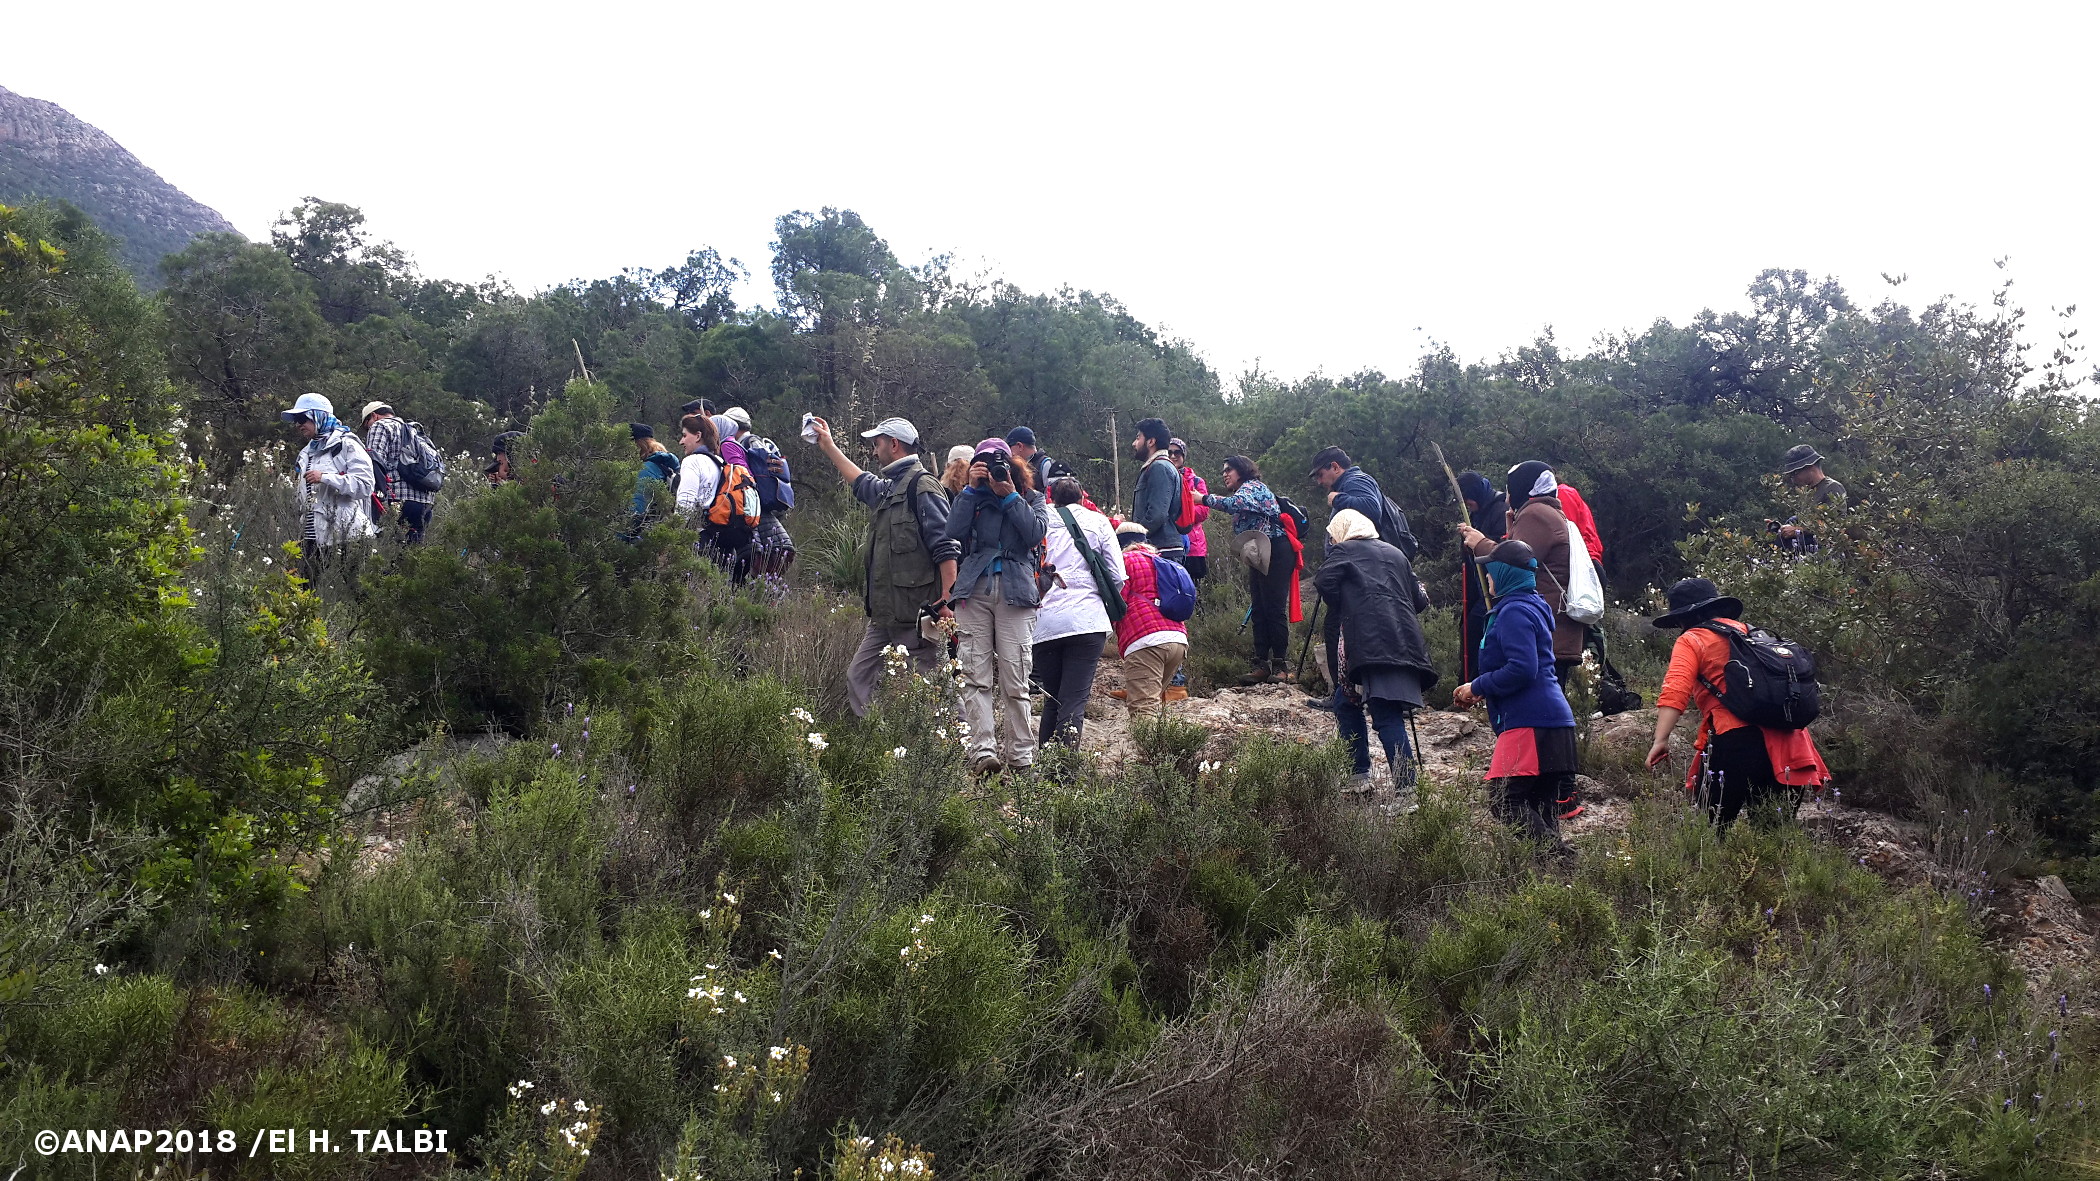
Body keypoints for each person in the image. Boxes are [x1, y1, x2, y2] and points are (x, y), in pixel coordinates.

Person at [1645, 578, 1831, 835]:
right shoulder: (1754, 634)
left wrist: (1660, 739)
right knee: (1773, 837)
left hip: (1735, 740)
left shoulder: (1692, 639)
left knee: (1710, 833)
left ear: (1683, 618)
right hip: (1791, 743)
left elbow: (1675, 690)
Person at [810, 414, 960, 717]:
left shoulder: (922, 487)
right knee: (859, 676)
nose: (874, 450)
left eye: (877, 444)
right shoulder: (890, 488)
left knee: (933, 689)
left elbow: (946, 548)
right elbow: (861, 482)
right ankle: (882, 739)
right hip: (884, 616)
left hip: (915, 615)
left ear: (894, 444)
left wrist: (947, 600)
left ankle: (957, 741)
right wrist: (828, 446)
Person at [1451, 541, 1575, 851]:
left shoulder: (1513, 611)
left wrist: (1477, 686)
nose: (1487, 577)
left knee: (1504, 800)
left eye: (1491, 570)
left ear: (1504, 573)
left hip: (1529, 721)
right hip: (1553, 721)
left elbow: (1522, 668)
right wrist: (1483, 688)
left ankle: (1560, 857)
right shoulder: (1532, 605)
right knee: (1540, 804)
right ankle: (1557, 873)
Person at [1315, 509, 1436, 809]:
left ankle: (1407, 794)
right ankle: (1359, 778)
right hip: (1403, 640)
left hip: (1370, 641)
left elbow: (1324, 581)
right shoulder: (1396, 554)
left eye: (1333, 536)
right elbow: (1420, 600)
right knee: (1345, 702)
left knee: (1385, 712)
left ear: (1343, 531)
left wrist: (1350, 606)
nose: (1332, 542)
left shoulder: (1345, 550)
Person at [942, 437, 1049, 774]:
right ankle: (983, 753)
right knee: (975, 674)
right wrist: (970, 490)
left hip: (1017, 590)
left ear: (1013, 463)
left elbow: (1035, 533)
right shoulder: (970, 498)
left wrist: (1011, 496)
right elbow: (952, 531)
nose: (993, 469)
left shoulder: (1031, 497)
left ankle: (1021, 757)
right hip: (973, 589)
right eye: (984, 463)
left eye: (998, 461)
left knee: (1016, 678)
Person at [1459, 461, 1583, 679]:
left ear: (1522, 487)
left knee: (1535, 692)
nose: (1507, 497)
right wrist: (1511, 530)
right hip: (1551, 626)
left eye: (1510, 488)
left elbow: (1515, 564)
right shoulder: (1550, 512)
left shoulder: (1535, 513)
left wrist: (1480, 543)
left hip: (1538, 627)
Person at [1033, 477, 1126, 746]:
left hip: (1044, 620)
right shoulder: (1098, 522)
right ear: (1082, 498)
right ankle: (1066, 766)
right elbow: (1117, 575)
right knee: (1073, 700)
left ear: (1052, 498)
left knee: (1052, 699)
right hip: (1087, 620)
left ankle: (1046, 764)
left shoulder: (1038, 520)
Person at [1201, 456, 1292, 684]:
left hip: (1276, 549)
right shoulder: (1247, 490)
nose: (1225, 474)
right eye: (1223, 470)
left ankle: (1281, 665)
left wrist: (1202, 498)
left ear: (1242, 470)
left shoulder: (1253, 487)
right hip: (1260, 551)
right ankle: (1261, 664)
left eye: (1229, 469)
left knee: (1274, 608)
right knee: (1259, 608)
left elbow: (1234, 504)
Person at [280, 392, 378, 582]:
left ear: (319, 416)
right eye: (296, 420)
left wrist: (325, 478)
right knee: (303, 590)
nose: (298, 425)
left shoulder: (347, 444)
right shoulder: (307, 452)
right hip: (311, 536)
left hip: (349, 536)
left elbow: (365, 486)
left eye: (302, 418)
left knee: (360, 591)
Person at [1112, 521, 1189, 718]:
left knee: (1143, 710)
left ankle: (1147, 740)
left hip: (1146, 642)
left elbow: (1117, 603)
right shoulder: (1163, 561)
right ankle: (1160, 739)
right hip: (1177, 640)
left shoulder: (1124, 562)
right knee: (1153, 704)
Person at [1455, 470, 1508, 684]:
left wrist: (1476, 539)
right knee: (1467, 632)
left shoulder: (1500, 510)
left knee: (1477, 630)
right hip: (1477, 588)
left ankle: (1477, 685)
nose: (1468, 505)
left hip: (1494, 590)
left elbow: (1502, 547)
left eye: (1469, 500)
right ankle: (1465, 686)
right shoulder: (1479, 513)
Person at [728, 410, 796, 576]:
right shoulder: (761, 443)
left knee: (754, 558)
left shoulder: (742, 445)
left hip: (752, 507)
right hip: (767, 506)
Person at [360, 402, 435, 544]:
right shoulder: (413, 429)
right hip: (426, 500)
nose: (368, 429)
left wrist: (378, 498)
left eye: (366, 425)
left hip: (399, 499)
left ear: (374, 416)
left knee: (391, 548)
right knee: (414, 549)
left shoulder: (380, 425)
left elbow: (375, 461)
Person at [1130, 417, 1185, 561]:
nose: (1134, 443)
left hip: (1161, 551)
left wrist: (1134, 537)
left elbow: (1157, 515)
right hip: (1160, 549)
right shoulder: (1160, 466)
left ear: (1151, 442)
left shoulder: (1159, 467)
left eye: (1138, 437)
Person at [1777, 444, 1846, 551]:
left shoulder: (1832, 487)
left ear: (1810, 467)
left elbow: (1835, 524)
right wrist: (1782, 530)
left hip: (1827, 554)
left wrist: (1797, 530)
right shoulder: (1807, 493)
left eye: (1796, 473)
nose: (1793, 479)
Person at [1168, 438, 1211, 581]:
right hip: (1168, 545)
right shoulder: (1161, 479)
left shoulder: (1196, 481)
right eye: (1169, 452)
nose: (1173, 456)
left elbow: (1203, 512)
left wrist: (1180, 510)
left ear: (1183, 455)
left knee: (1192, 589)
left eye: (1177, 452)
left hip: (1193, 548)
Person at [674, 413, 723, 525]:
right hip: (717, 529)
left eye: (685, 435)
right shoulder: (719, 462)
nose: (681, 442)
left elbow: (685, 502)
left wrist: (674, 531)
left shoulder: (692, 461)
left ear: (698, 436)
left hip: (697, 529)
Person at [627, 422, 681, 524]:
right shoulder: (661, 465)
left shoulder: (645, 470)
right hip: (659, 526)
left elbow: (635, 512)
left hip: (643, 531)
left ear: (636, 445)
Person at [1005, 426, 1055, 490]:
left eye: (1009, 447)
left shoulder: (1047, 465)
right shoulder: (1015, 467)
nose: (1008, 452)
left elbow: (1057, 494)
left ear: (1020, 446)